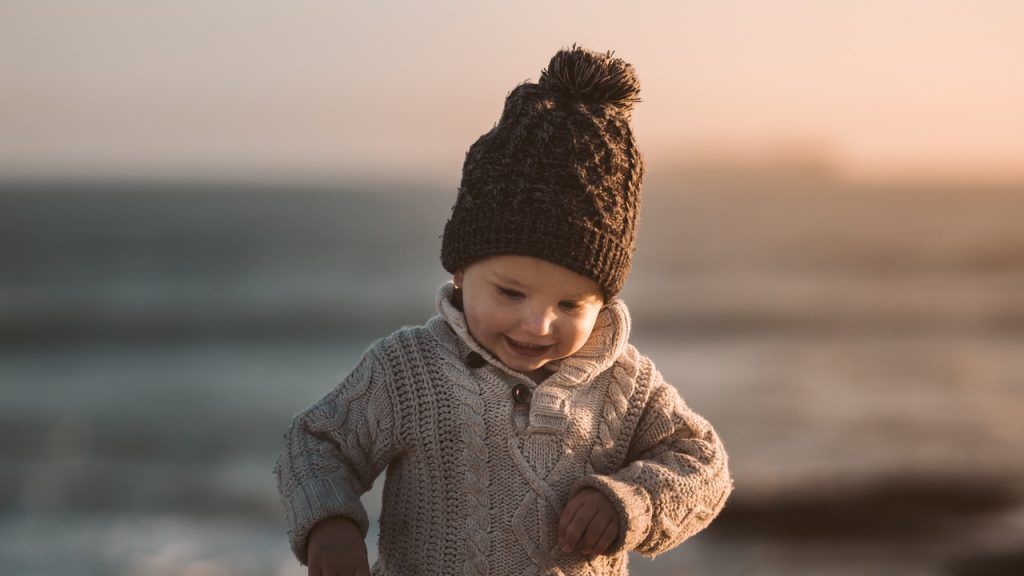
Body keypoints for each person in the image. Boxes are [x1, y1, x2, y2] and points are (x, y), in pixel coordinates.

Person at [274, 45, 732, 576]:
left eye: (569, 304)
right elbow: (316, 442)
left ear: (604, 300)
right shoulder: (409, 370)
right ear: (461, 272)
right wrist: (331, 525)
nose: (537, 324)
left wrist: (631, 500)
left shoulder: (626, 384)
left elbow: (706, 466)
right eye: (510, 294)